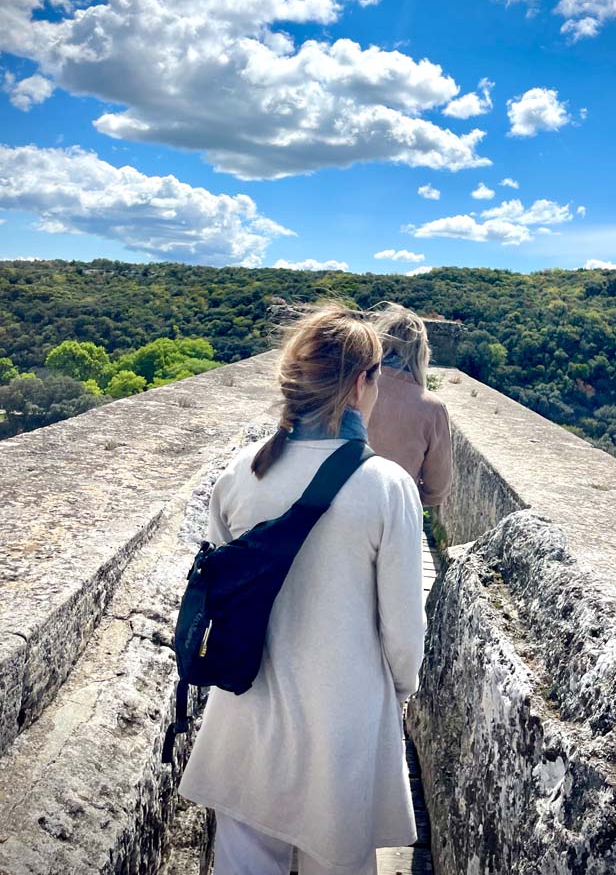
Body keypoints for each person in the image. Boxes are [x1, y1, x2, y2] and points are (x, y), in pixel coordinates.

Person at [178, 303, 425, 875]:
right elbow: (404, 633)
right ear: (365, 382)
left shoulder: (240, 474)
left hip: (246, 712)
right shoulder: (385, 487)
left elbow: (224, 598)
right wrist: (400, 693)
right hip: (342, 718)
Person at [367, 304, 452, 508]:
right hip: (395, 514)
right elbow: (438, 488)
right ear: (421, 352)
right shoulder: (432, 408)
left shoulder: (352, 388)